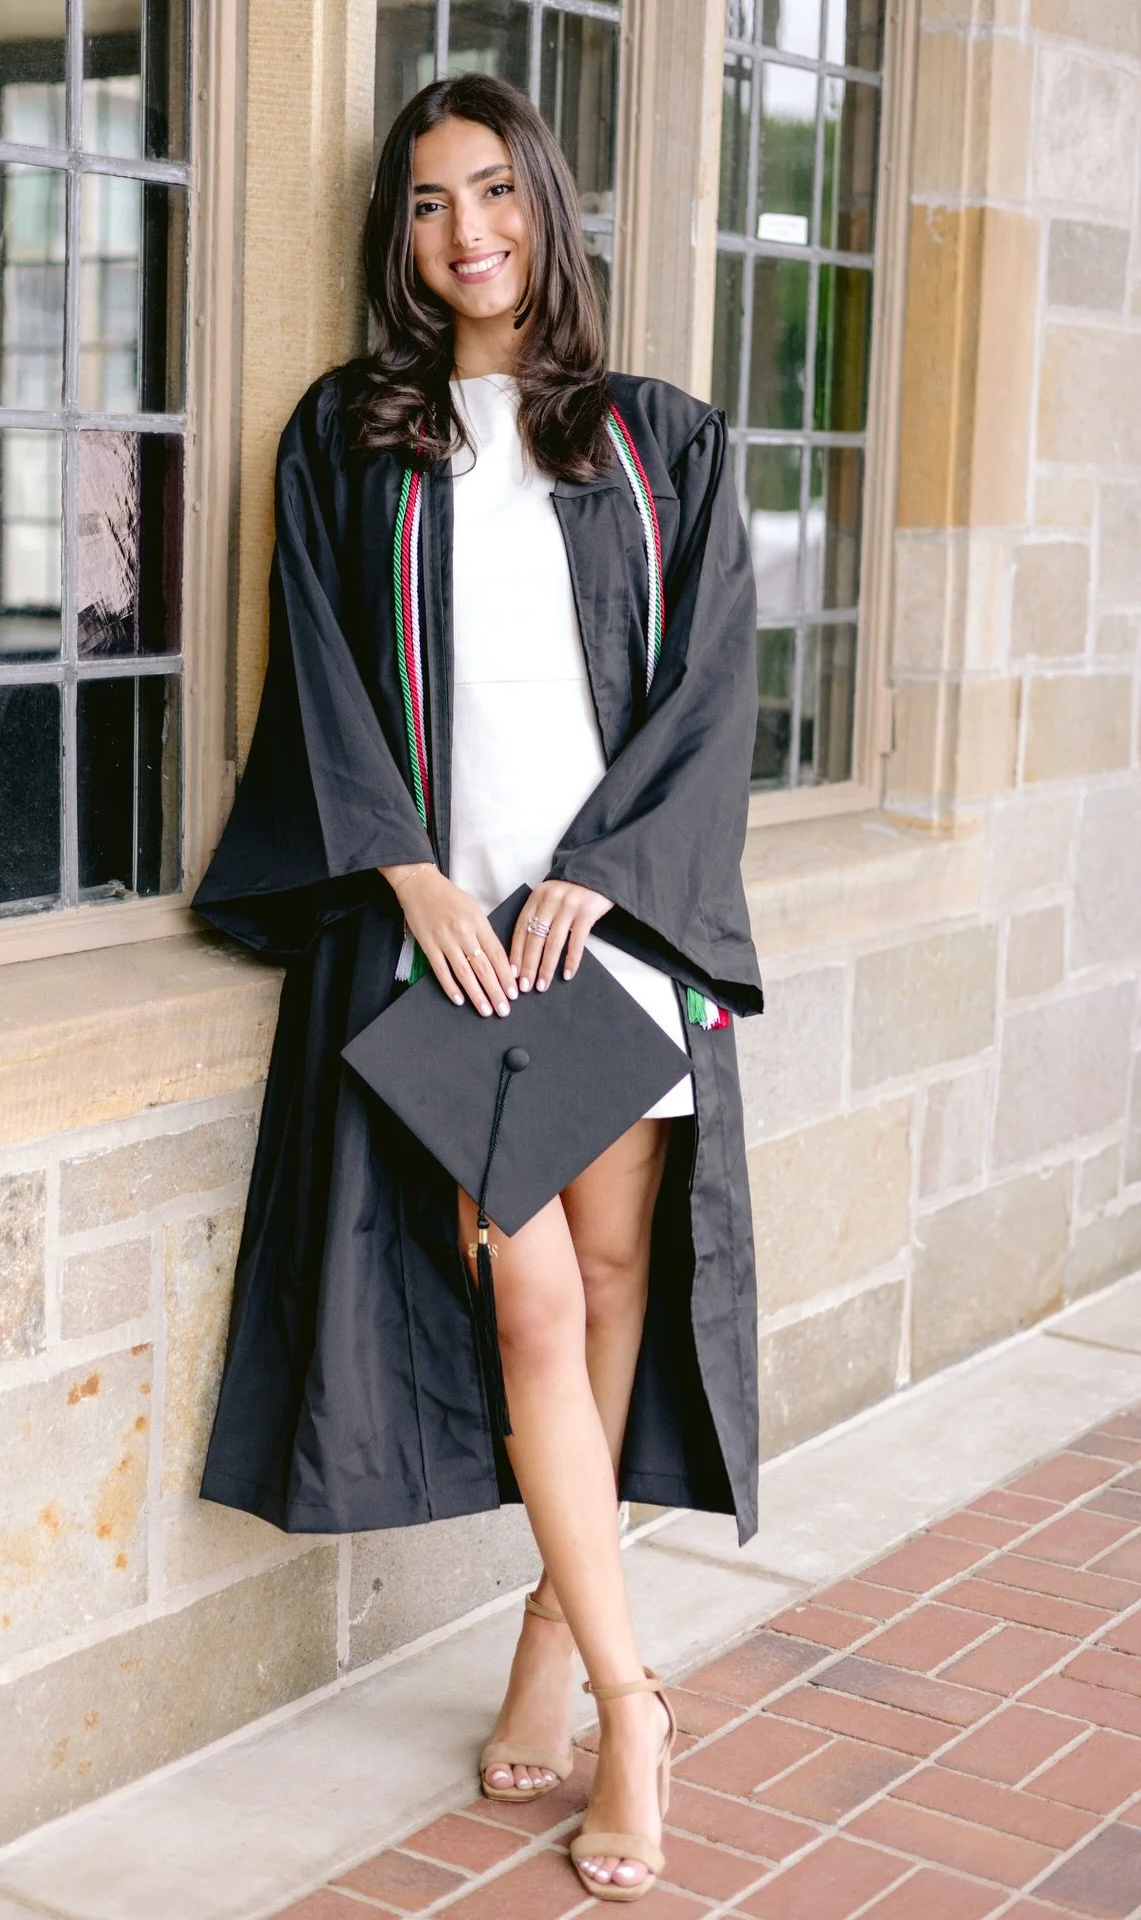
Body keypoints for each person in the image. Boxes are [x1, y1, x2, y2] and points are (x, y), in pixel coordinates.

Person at [194, 74, 762, 1904]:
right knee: (529, 1304)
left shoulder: (663, 441)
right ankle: (633, 1706)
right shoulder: (353, 439)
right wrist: (417, 874)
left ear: (550, 206)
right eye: (431, 204)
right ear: (401, 234)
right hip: (450, 941)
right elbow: (326, 681)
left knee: (606, 1282)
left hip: (607, 935)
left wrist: (600, 879)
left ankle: (541, 1631)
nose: (469, 235)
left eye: (497, 194)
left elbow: (709, 701)